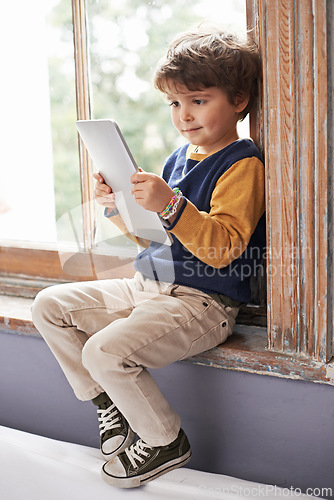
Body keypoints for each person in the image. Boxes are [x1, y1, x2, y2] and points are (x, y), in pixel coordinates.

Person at [31, 24, 265, 489]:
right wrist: (118, 205)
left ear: (238, 100)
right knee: (47, 306)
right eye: (176, 104)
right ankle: (108, 406)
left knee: (104, 349)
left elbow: (222, 249)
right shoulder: (180, 159)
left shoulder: (244, 164)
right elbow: (155, 239)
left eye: (198, 100)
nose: (184, 115)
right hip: (149, 284)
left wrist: (172, 205)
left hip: (202, 303)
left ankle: (164, 440)